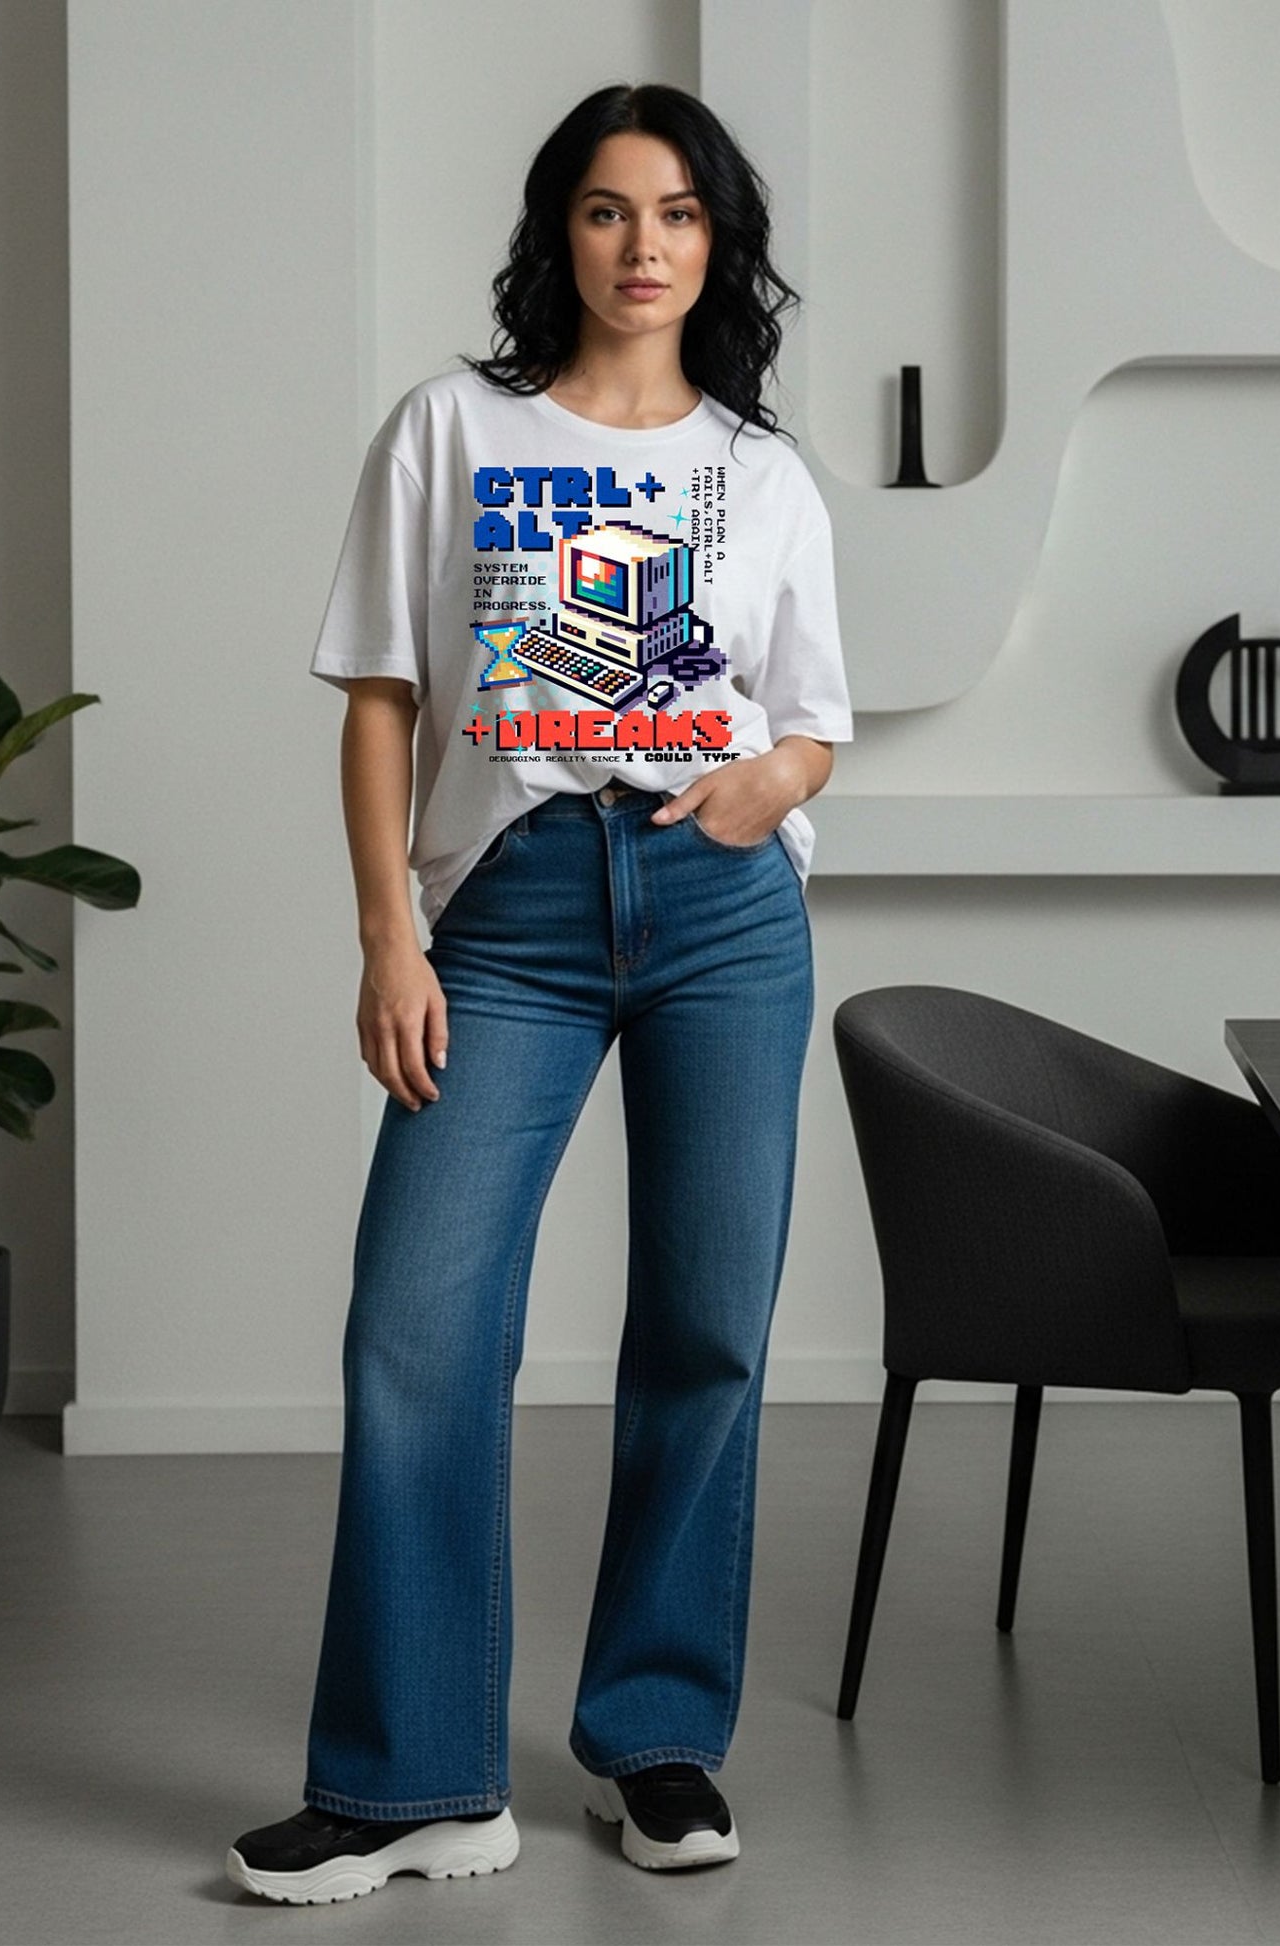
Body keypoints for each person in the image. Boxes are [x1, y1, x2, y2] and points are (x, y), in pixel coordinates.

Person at [227, 79, 853, 1907]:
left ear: (714, 243)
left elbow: (812, 721)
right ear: (555, 232)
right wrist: (385, 936)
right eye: (604, 210)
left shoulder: (761, 470)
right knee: (416, 1325)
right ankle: (417, 1776)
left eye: (673, 214)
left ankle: (655, 1741)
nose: (640, 245)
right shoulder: (452, 426)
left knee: (705, 1327)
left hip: (724, 904)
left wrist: (771, 786)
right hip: (506, 910)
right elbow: (378, 696)